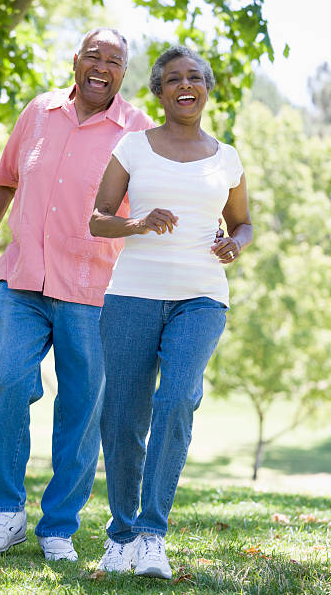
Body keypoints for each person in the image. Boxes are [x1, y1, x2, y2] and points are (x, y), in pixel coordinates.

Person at [0, 28, 154, 561]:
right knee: (5, 381)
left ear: (123, 73)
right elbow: (4, 181)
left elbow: (150, 211)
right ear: (75, 60)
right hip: (21, 279)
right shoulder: (39, 111)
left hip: (93, 292)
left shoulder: (138, 130)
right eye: (93, 55)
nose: (101, 67)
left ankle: (58, 527)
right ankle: (5, 512)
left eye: (114, 60)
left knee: (82, 409)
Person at [89, 45, 253, 579]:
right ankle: (121, 537)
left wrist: (237, 244)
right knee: (123, 416)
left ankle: (153, 534)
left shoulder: (226, 156)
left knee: (178, 398)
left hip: (202, 295)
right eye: (174, 79)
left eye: (196, 78)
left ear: (206, 88)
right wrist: (137, 224)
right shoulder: (133, 148)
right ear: (158, 92)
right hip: (132, 293)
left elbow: (244, 222)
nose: (187, 86)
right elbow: (97, 219)